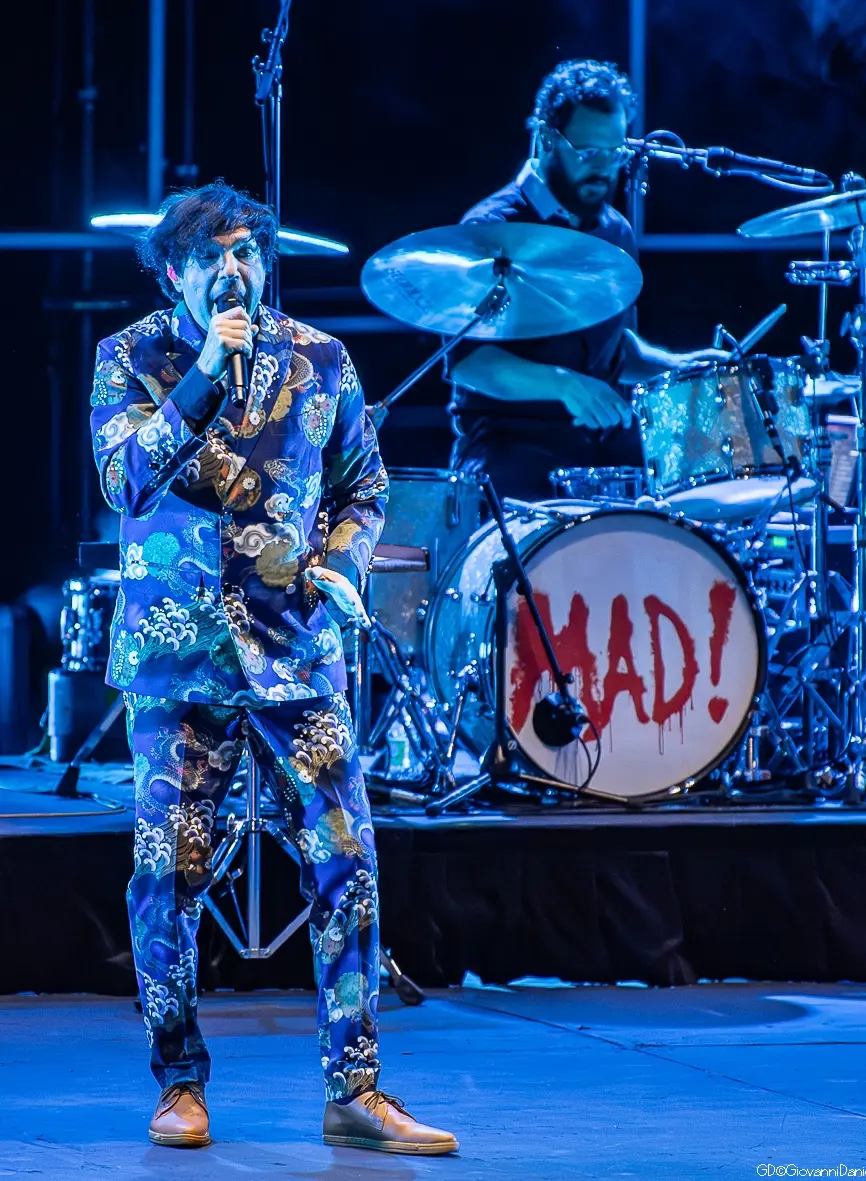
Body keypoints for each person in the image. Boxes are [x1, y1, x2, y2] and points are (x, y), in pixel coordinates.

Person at [90, 182, 458, 1155]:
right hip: (178, 662)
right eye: (213, 255)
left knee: (348, 863)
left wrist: (341, 563)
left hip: (296, 653)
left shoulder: (319, 359)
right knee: (166, 875)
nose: (235, 270)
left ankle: (355, 1089)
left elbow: (363, 485)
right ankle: (179, 1082)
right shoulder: (129, 357)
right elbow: (126, 479)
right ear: (174, 272)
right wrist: (208, 368)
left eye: (248, 251)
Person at [448, 58, 727, 501]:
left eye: (614, 153)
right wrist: (563, 383)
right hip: (510, 448)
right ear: (546, 138)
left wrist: (676, 367)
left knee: (696, 493)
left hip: (604, 450)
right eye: (587, 152)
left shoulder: (615, 233)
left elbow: (616, 351)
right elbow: (470, 364)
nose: (603, 168)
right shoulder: (491, 228)